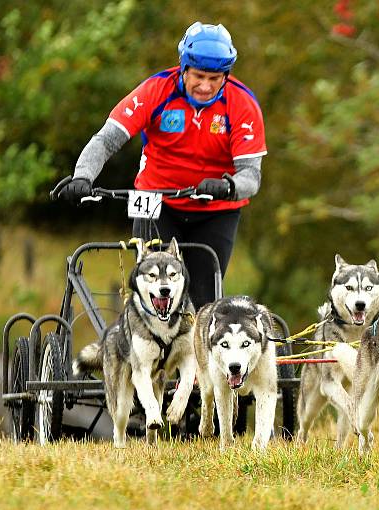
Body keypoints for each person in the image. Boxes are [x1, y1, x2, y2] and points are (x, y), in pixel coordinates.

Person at [54, 21, 266, 308]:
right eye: (199, 76)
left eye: (215, 78)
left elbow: (251, 177)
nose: (205, 86)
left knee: (203, 304)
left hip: (215, 209)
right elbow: (105, 140)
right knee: (154, 293)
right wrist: (82, 177)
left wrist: (228, 186)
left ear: (226, 75)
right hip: (155, 201)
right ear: (183, 68)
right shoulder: (155, 91)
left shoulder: (242, 104)